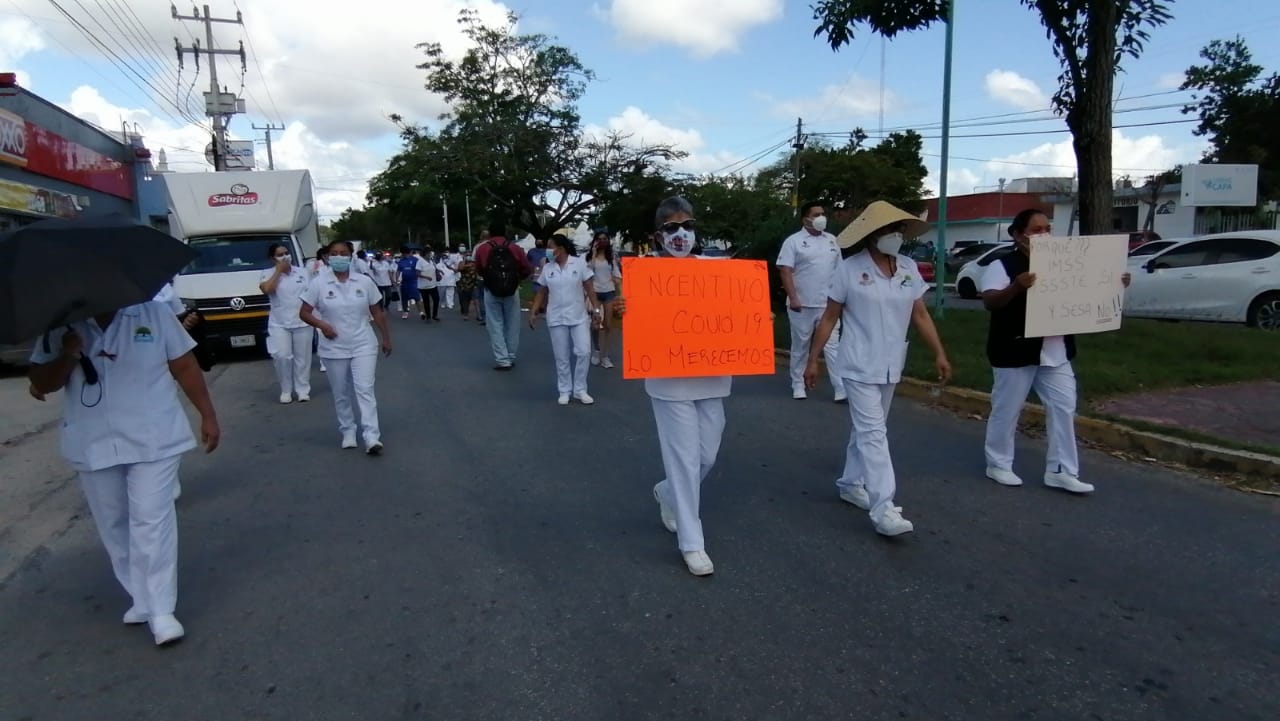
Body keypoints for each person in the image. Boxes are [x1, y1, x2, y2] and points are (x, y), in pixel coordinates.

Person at [28, 300, 221, 646]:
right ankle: (142, 597)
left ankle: (162, 609)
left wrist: (207, 414)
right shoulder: (60, 324)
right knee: (114, 522)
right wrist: (69, 354)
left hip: (154, 434)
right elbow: (41, 383)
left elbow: (184, 364)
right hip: (93, 439)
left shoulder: (153, 313)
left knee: (152, 518)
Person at [806, 201, 952, 537]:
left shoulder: (907, 268)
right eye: (888, 230)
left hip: (890, 363)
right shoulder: (849, 269)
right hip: (857, 364)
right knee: (874, 433)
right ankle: (884, 507)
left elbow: (920, 315)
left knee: (868, 429)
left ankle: (850, 482)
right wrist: (814, 359)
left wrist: (939, 353)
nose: (895, 236)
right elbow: (830, 317)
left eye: (898, 230)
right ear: (872, 235)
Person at [980, 209, 1131, 494]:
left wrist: (1115, 283)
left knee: (1063, 408)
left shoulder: (1067, 262)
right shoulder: (1004, 265)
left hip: (1056, 351)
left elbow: (1087, 289)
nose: (1044, 234)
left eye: (1047, 228)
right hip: (1015, 349)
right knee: (1007, 409)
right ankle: (998, 463)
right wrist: (1016, 287)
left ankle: (1061, 470)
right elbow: (990, 302)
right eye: (1036, 229)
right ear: (1017, 234)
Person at [621, 197, 730, 577]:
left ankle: (666, 493)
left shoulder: (717, 272)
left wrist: (754, 318)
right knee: (683, 460)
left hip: (711, 376)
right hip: (669, 381)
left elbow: (733, 314)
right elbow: (635, 325)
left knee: (707, 456)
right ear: (657, 234)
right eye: (671, 227)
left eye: (688, 225)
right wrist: (624, 312)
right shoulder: (643, 275)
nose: (681, 234)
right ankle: (692, 541)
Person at [300, 240, 393, 454]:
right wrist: (322, 325)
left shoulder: (364, 282)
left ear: (351, 256)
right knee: (341, 392)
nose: (339, 257)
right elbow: (304, 312)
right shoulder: (318, 283)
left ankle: (371, 436)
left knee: (365, 389)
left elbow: (377, 311)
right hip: (334, 347)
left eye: (343, 253)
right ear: (327, 257)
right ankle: (348, 431)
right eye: (334, 253)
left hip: (363, 343)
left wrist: (386, 337)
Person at [778, 201, 844, 402]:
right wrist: (794, 297)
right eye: (816, 214)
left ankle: (840, 388)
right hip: (802, 305)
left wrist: (841, 300)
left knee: (832, 346)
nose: (820, 218)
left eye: (822, 214)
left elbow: (840, 271)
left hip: (828, 305)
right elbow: (785, 270)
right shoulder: (794, 241)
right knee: (801, 345)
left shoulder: (832, 240)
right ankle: (798, 384)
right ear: (805, 218)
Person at [529, 233, 601, 405]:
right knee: (562, 356)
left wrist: (597, 310)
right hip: (556, 316)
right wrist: (534, 311)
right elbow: (541, 291)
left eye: (550, 246)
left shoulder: (579, 263)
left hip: (578, 315)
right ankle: (564, 390)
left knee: (584, 351)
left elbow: (590, 288)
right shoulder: (548, 268)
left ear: (560, 249)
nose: (548, 250)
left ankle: (580, 389)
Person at [259, 242, 313, 404]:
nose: (285, 257)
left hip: (302, 321)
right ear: (272, 258)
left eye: (286, 253)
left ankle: (303, 389)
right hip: (279, 323)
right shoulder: (266, 273)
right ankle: (286, 390)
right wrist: (278, 272)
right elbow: (266, 289)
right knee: (282, 356)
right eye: (280, 254)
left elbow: (312, 293)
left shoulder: (302, 272)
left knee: (302, 358)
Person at [475, 222, 533, 370]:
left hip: (491, 290)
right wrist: (516, 279)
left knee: (495, 325)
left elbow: (479, 269)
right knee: (512, 324)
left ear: (490, 233)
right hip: (512, 290)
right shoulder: (515, 248)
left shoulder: (483, 248)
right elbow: (526, 268)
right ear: (505, 231)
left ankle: (502, 359)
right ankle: (511, 355)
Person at [585, 230, 622, 369]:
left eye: (605, 239)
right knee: (595, 323)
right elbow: (589, 271)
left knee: (608, 325)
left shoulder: (611, 258)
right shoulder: (590, 257)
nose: (602, 241)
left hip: (609, 293)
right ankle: (596, 350)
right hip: (595, 293)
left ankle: (605, 355)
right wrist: (594, 253)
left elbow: (617, 275)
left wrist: (619, 285)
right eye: (599, 239)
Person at [395, 246, 422, 320]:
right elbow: (398, 271)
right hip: (404, 282)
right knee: (404, 299)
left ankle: (421, 312)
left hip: (414, 282)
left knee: (417, 298)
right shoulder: (401, 261)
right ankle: (405, 312)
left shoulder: (415, 260)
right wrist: (397, 280)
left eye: (403, 253)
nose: (402, 254)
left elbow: (419, 269)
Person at [418, 249, 441, 321]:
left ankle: (435, 315)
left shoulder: (432, 261)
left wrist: (438, 274)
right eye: (429, 253)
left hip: (433, 285)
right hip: (423, 286)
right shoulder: (420, 262)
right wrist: (426, 277)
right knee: (426, 301)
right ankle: (428, 316)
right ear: (425, 254)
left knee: (436, 299)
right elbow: (417, 273)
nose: (430, 255)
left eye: (430, 253)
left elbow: (436, 269)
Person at [456, 253, 481, 320]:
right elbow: (460, 268)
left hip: (474, 284)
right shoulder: (461, 263)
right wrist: (465, 261)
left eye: (470, 255)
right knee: (466, 301)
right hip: (464, 285)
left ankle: (479, 315)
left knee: (476, 300)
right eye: (467, 255)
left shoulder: (475, 263)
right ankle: (466, 315)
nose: (468, 256)